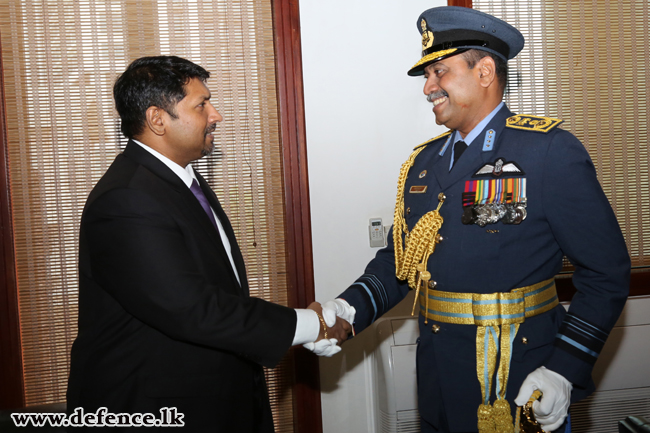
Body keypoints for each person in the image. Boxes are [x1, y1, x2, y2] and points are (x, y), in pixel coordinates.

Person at [313, 6, 630, 433]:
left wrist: (563, 369)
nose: (427, 87)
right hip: (439, 375)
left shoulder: (548, 152)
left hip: (518, 377)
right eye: (427, 76)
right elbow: (399, 263)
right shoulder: (423, 165)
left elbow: (607, 273)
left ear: (483, 72)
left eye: (438, 72)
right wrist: (348, 309)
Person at [67, 56, 349, 432]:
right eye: (201, 105)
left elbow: (218, 289)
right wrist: (311, 325)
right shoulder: (128, 198)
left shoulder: (180, 179)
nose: (215, 114)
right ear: (157, 119)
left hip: (212, 397)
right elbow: (193, 309)